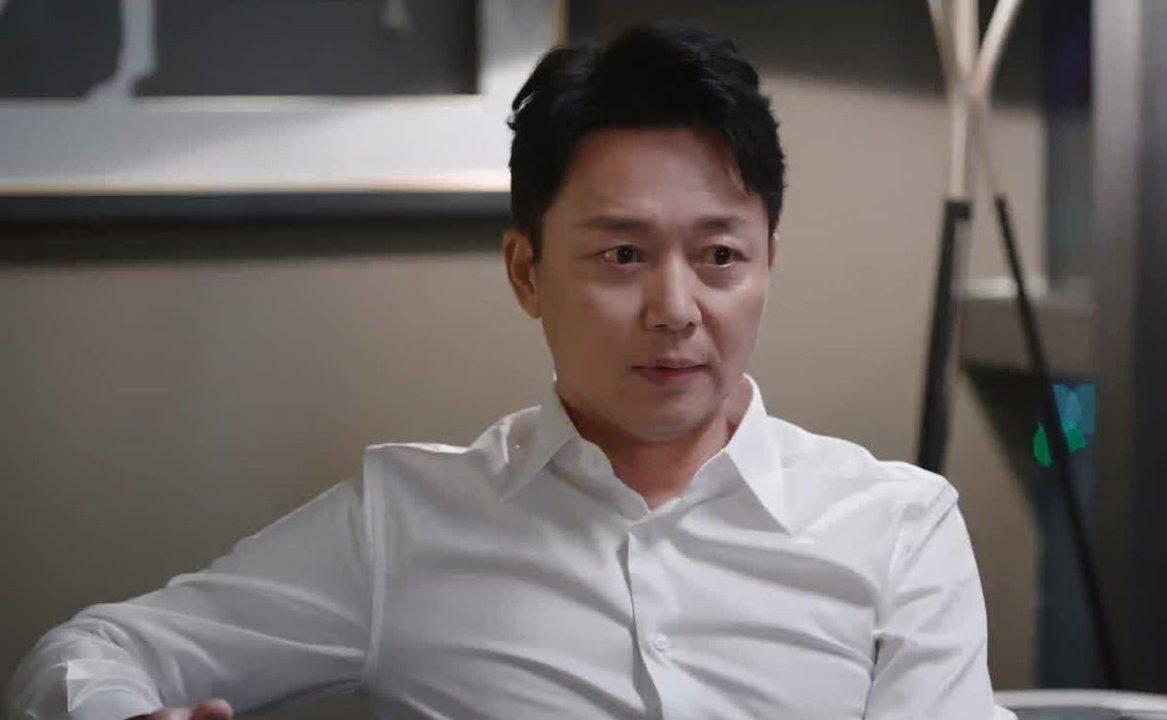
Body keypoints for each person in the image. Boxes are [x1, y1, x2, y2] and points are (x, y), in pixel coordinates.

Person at [6, 20, 1014, 720]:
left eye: (719, 255)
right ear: (526, 272)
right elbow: (85, 655)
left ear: (767, 265)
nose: (675, 308)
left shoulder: (897, 528)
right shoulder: (406, 523)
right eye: (622, 255)